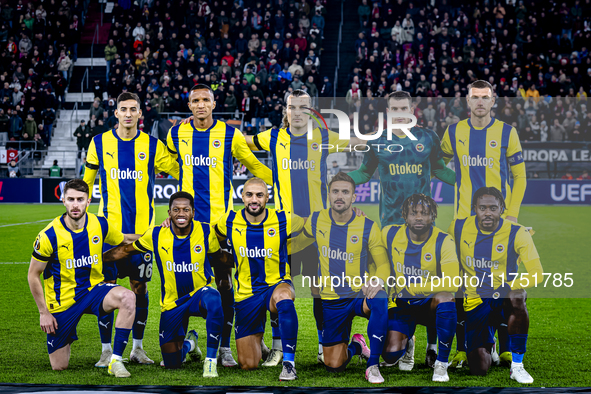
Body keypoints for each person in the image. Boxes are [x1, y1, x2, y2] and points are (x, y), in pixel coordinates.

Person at [348, 90, 456, 369]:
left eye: (403, 108)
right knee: (398, 284)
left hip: (423, 224)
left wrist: (470, 179)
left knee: (431, 281)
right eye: (394, 108)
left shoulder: (427, 138)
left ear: (412, 109)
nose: (399, 113)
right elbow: (363, 173)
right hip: (391, 227)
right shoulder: (378, 141)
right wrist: (342, 179)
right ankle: (406, 341)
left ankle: (433, 346)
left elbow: (441, 171)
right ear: (388, 111)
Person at [167, 83, 273, 367]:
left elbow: (254, 165)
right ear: (189, 105)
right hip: (186, 228)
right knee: (182, 285)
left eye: (206, 100)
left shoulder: (230, 134)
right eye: (195, 100)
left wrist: (278, 184)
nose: (201, 104)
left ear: (214, 104)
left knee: (226, 284)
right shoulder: (176, 133)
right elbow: (167, 162)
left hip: (220, 228)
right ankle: (183, 339)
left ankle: (224, 346)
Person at [83, 92, 179, 368]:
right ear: (115, 113)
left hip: (142, 236)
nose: (127, 113)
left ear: (140, 114)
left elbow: (180, 171)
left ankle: (137, 348)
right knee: (105, 290)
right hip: (108, 236)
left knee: (140, 289)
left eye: (132, 109)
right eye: (123, 109)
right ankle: (105, 350)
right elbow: (84, 185)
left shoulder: (151, 144)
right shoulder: (99, 143)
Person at [441, 80, 527, 369]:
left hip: (500, 224)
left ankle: (504, 348)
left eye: (485, 97)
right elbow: (439, 164)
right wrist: (458, 183)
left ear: (493, 101)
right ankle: (464, 348)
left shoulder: (507, 132)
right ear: (467, 101)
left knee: (503, 284)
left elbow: (520, 176)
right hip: (462, 223)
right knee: (461, 287)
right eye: (475, 97)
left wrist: (512, 214)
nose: (480, 102)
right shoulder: (453, 132)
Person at [102, 192, 228, 377]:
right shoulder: (156, 234)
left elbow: (219, 258)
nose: (181, 213)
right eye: (176, 210)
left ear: (193, 212)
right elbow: (125, 250)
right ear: (169, 213)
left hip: (199, 295)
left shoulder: (206, 231)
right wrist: (96, 258)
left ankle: (210, 362)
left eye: (186, 209)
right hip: (172, 303)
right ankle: (190, 343)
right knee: (171, 363)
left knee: (214, 297)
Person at [27, 179, 138, 377]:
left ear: (88, 201)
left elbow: (124, 239)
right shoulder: (48, 236)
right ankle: (66, 334)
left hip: (93, 291)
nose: (75, 204)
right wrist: (43, 312)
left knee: (128, 297)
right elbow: (33, 274)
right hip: (63, 303)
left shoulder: (99, 224)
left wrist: (157, 235)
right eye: (71, 199)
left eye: (80, 199)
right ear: (63, 201)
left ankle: (116, 360)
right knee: (59, 366)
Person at [296, 172, 389, 383]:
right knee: (334, 366)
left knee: (380, 298)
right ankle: (357, 345)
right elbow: (299, 243)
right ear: (328, 194)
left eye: (345, 192)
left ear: (354, 197)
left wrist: (377, 280)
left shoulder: (368, 226)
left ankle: (373, 365)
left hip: (359, 294)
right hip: (332, 300)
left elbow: (383, 263)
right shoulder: (317, 219)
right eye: (335, 191)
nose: (340, 196)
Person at [448, 187, 543, 383]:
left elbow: (537, 274)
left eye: (493, 208)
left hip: (503, 299)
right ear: (475, 208)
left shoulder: (517, 232)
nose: (488, 213)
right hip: (474, 302)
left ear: (502, 209)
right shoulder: (457, 228)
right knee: (479, 369)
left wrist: (509, 285)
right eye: (483, 208)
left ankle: (517, 365)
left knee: (517, 295)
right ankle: (489, 344)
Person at [214, 178, 304, 381]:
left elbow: (316, 226)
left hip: (276, 284)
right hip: (246, 293)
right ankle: (259, 343)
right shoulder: (228, 220)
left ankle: (289, 363)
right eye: (249, 195)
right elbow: (211, 236)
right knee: (248, 364)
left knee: (284, 298)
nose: (254, 200)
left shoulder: (284, 219)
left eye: (259, 195)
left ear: (267, 198)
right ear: (242, 196)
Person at [381, 194, 460, 382]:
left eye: (424, 213)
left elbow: (453, 282)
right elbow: (370, 253)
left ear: (432, 216)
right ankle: (408, 342)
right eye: (413, 213)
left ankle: (441, 363)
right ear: (405, 216)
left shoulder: (444, 240)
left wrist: (416, 288)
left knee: (446, 298)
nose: (418, 217)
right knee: (390, 355)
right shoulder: (389, 234)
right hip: (401, 304)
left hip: (429, 305)